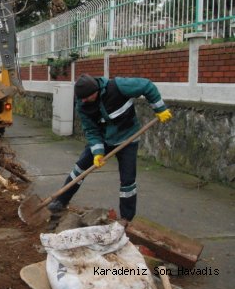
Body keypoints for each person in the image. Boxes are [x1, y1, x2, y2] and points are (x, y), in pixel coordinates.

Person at [47, 74, 173, 226]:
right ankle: (61, 200)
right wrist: (98, 152)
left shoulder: (118, 86)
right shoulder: (82, 105)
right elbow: (91, 130)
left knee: (128, 181)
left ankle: (126, 218)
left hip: (128, 138)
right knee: (79, 169)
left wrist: (160, 108)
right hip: (104, 139)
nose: (84, 101)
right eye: (82, 98)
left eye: (87, 98)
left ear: (96, 91)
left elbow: (147, 86)